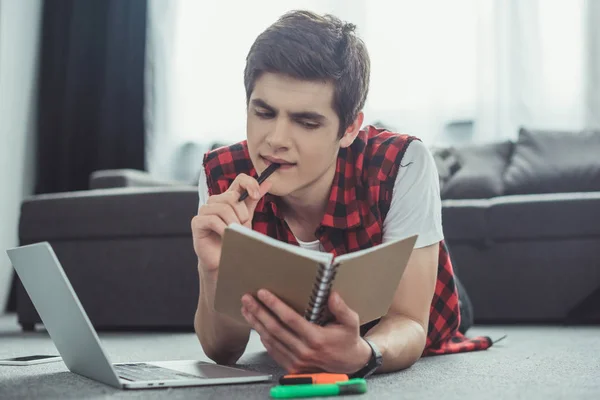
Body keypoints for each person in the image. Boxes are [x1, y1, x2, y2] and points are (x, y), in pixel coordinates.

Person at [191, 10, 491, 376]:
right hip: (317, 307)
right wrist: (216, 269)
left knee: (451, 302)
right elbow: (223, 351)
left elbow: (411, 321)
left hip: (423, 302)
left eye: (306, 122)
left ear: (349, 128)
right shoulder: (220, 174)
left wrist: (363, 354)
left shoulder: (404, 162)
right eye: (264, 113)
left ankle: (433, 253)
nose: (276, 141)